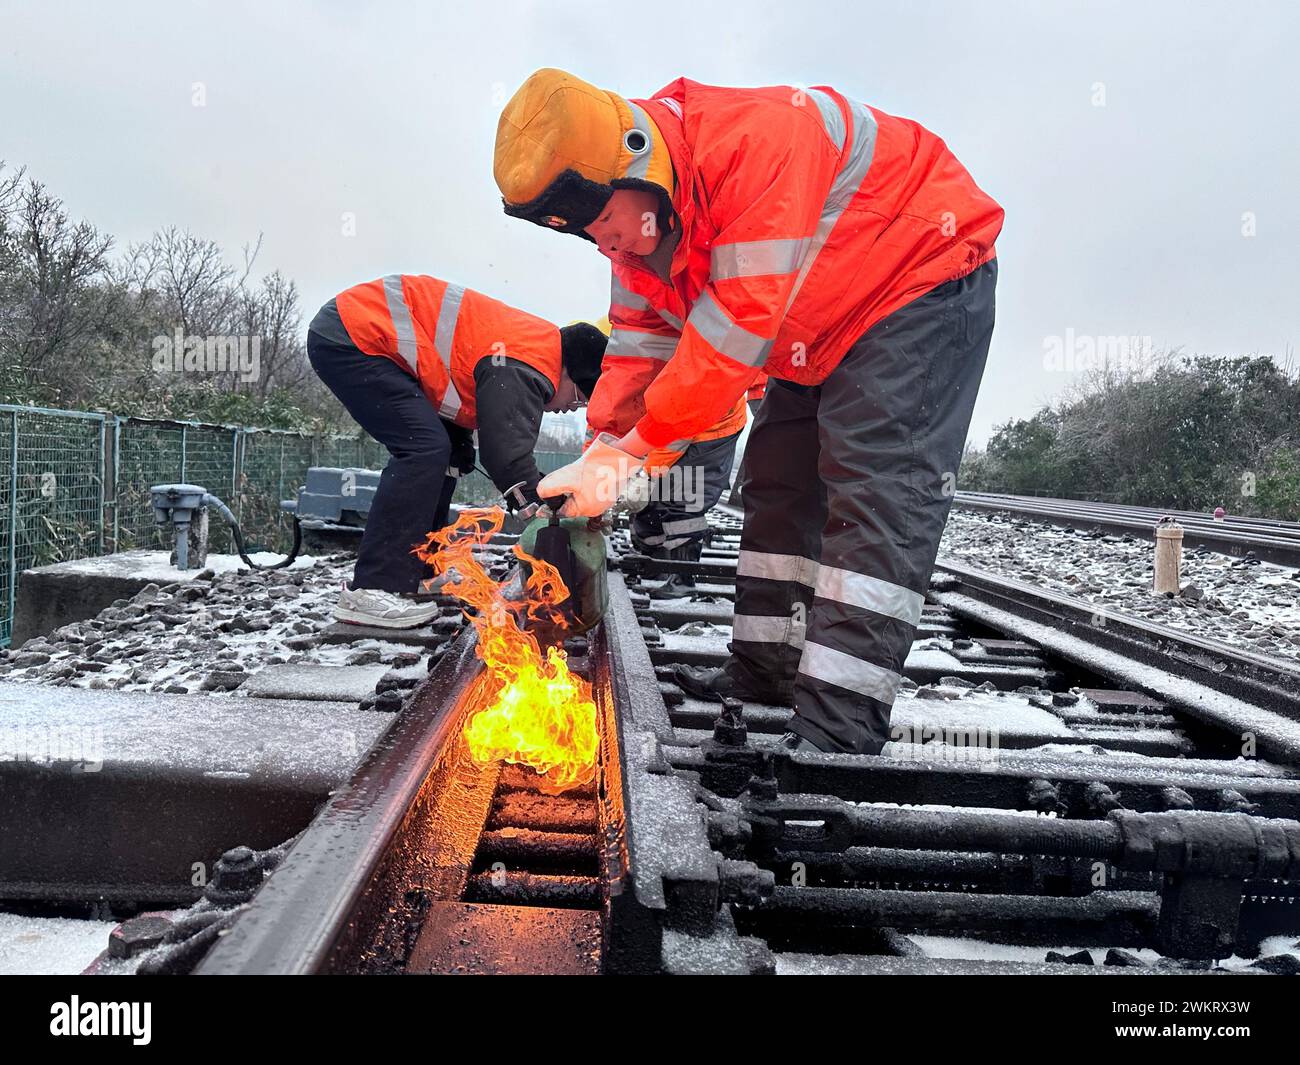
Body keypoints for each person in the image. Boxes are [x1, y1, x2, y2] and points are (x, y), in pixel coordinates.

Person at [495, 70, 1003, 754]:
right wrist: (600, 457)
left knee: (875, 488)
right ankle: (767, 674)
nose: (611, 249)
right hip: (812, 327)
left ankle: (837, 727)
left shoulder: (756, 148)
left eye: (611, 227)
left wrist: (632, 454)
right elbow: (640, 362)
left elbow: (728, 342)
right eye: (595, 237)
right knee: (778, 481)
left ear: (641, 161)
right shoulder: (642, 248)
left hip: (918, 277)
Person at [307, 274, 606, 627]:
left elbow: (458, 382)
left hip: (371, 339)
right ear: (571, 374)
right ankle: (372, 589)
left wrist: (460, 444)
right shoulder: (531, 361)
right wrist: (541, 504)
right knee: (424, 449)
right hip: (355, 335)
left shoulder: (530, 349)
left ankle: (421, 570)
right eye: (579, 398)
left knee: (444, 454)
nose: (571, 409)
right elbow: (506, 456)